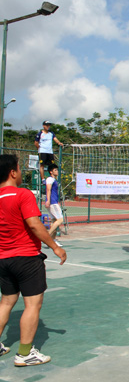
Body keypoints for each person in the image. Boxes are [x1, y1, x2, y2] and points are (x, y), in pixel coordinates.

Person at [0, 154, 67, 366]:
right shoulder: (22, 194)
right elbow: (34, 224)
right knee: (32, 304)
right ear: (13, 172)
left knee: (6, 302)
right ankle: (25, 354)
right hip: (26, 258)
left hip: (3, 259)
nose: (21, 172)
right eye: (19, 169)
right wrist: (55, 247)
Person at [44, 164, 64, 247]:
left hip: (54, 201)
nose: (57, 171)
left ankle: (52, 240)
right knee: (60, 220)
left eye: (57, 170)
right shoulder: (50, 179)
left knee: (54, 221)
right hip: (52, 202)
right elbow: (48, 190)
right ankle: (47, 236)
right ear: (51, 172)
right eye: (55, 170)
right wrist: (48, 200)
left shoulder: (54, 180)